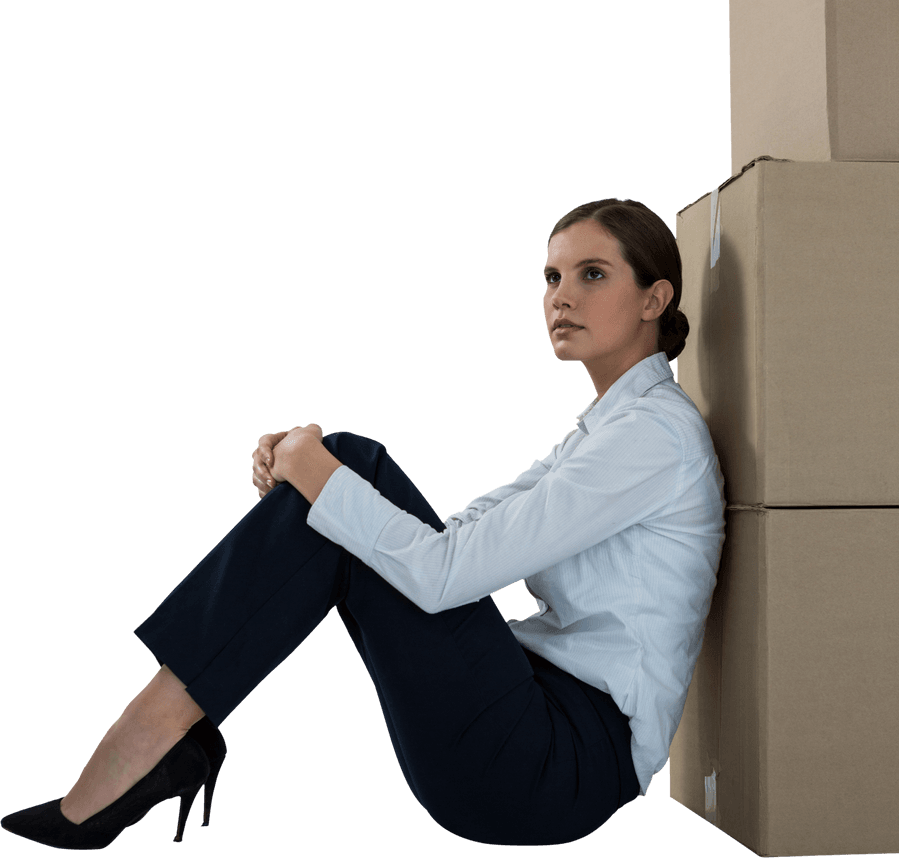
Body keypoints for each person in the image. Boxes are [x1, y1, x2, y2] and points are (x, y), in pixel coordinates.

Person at [2, 198, 726, 849]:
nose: (560, 296)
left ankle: (151, 735)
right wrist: (315, 484)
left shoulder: (650, 437)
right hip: (523, 728)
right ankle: (159, 735)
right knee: (344, 498)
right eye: (550, 277)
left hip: (554, 766)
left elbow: (442, 575)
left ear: (653, 298)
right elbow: (452, 541)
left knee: (349, 472)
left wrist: (320, 473)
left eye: (592, 274)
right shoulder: (599, 434)